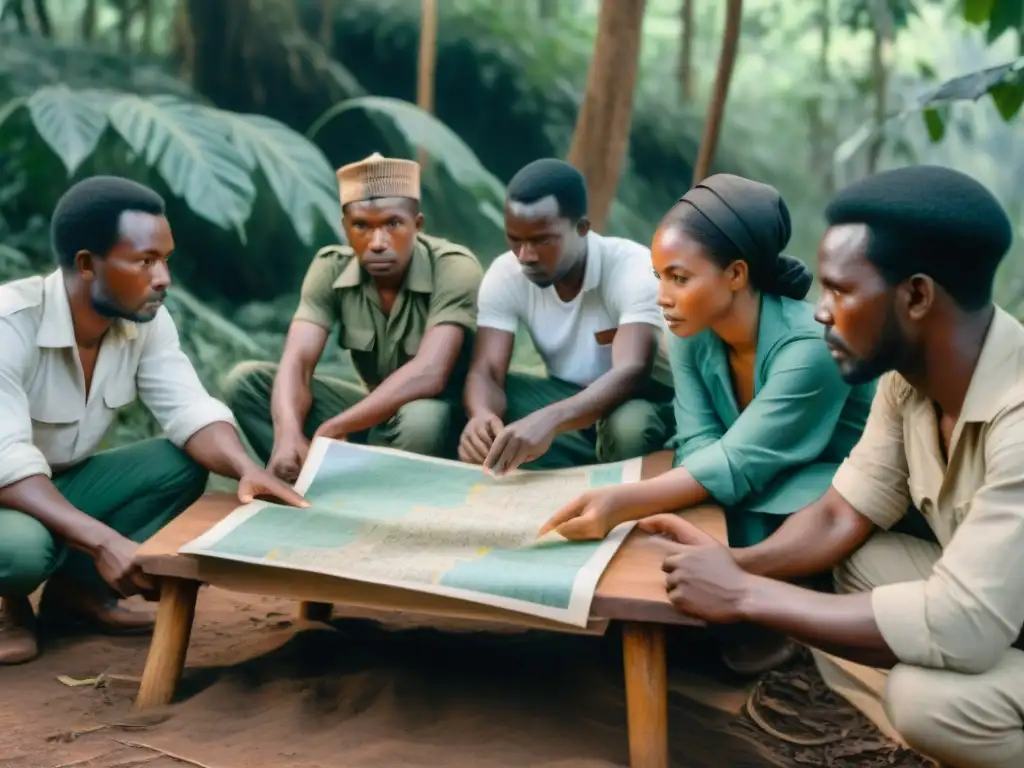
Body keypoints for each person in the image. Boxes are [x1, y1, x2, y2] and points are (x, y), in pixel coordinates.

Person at [638, 165, 1020, 768]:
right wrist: (736, 564)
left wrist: (746, 595)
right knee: (855, 559)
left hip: (984, 616)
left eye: (841, 291)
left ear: (916, 296)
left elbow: (961, 623)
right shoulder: (905, 382)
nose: (821, 311)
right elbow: (844, 513)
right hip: (1003, 607)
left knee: (925, 704)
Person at [538, 174, 875, 674]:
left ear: (736, 274)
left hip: (819, 488)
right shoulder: (692, 333)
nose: (662, 296)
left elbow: (740, 459)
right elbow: (698, 437)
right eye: (658, 276)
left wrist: (624, 501)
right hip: (744, 480)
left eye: (679, 277)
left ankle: (770, 615)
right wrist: (699, 485)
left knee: (703, 510)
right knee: (681, 497)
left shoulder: (810, 348)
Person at [0, 176, 306, 666]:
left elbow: (189, 409)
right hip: (8, 490)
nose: (163, 277)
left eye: (165, 260)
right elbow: (7, 465)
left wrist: (247, 469)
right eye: (144, 261)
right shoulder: (9, 323)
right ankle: (8, 605)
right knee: (20, 552)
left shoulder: (142, 317)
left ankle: (77, 595)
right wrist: (105, 542)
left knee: (179, 464)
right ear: (86, 264)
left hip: (58, 481)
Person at [224, 153, 484, 481]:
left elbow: (429, 373)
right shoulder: (330, 267)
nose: (377, 243)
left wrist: (339, 425)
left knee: (422, 419)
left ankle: (362, 482)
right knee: (247, 383)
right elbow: (298, 362)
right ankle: (308, 471)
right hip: (375, 420)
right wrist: (286, 434)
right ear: (345, 227)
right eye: (362, 225)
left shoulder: (453, 266)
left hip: (442, 425)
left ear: (417, 225)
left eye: (393, 224)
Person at [459, 158, 674, 475]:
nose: (526, 256)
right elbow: (488, 370)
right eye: (515, 239)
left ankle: (625, 490)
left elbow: (633, 370)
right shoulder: (506, 273)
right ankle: (567, 464)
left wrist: (549, 420)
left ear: (582, 228)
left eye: (542, 240)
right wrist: (481, 416)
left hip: (643, 400)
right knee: (466, 397)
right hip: (567, 397)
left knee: (628, 428)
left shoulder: (633, 267)